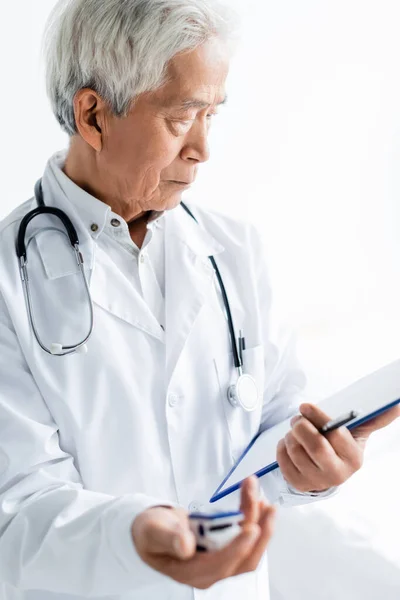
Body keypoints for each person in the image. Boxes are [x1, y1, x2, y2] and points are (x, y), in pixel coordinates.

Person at [0, 1, 399, 599]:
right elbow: (16, 517)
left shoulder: (233, 252)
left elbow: (273, 428)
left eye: (213, 113)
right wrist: (132, 539)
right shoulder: (9, 279)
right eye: (183, 117)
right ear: (93, 115)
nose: (204, 148)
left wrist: (313, 470)